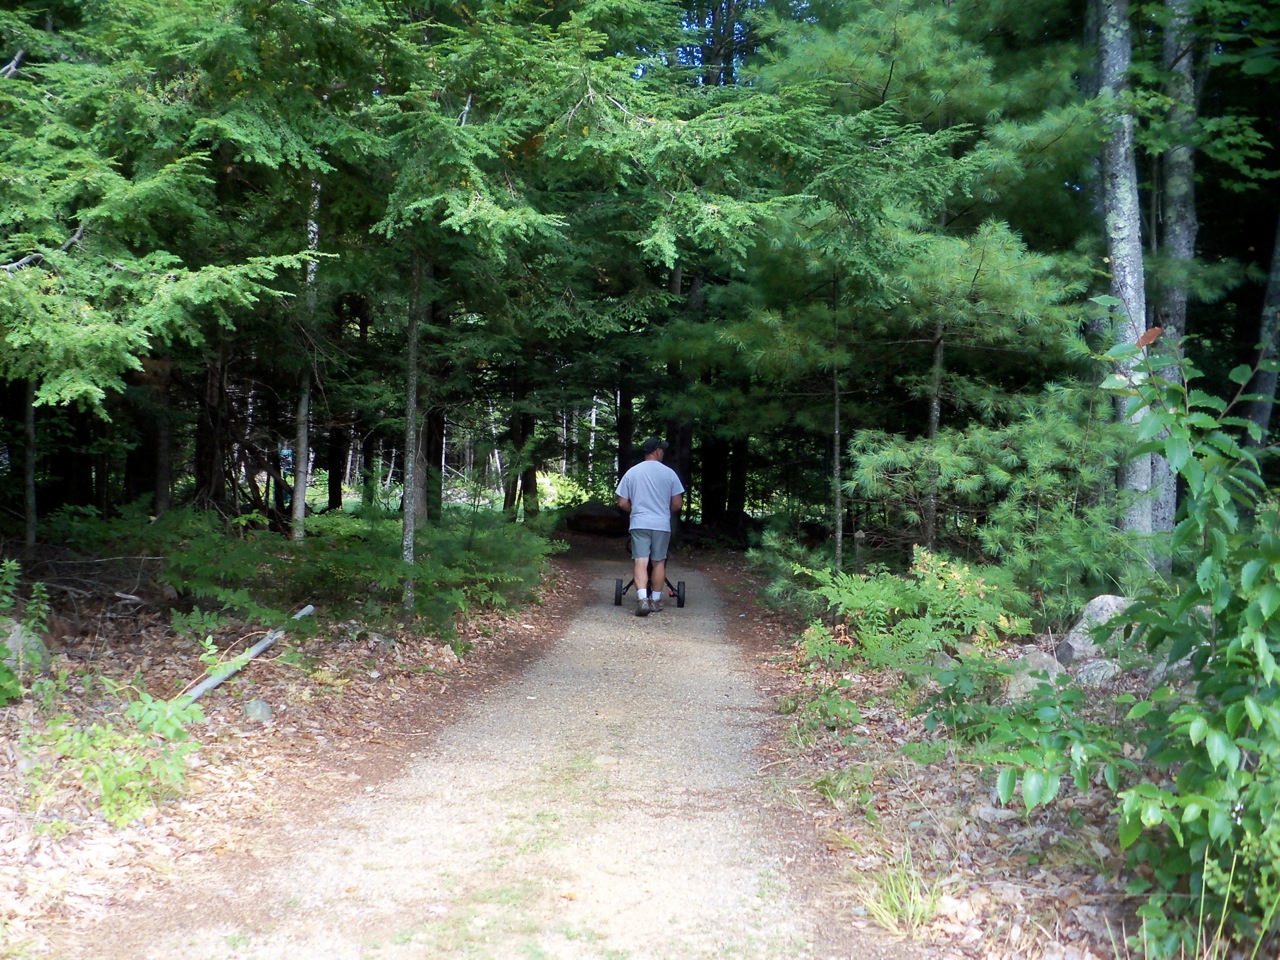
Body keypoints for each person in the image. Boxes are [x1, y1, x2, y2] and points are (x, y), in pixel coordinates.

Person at [616, 437, 685, 617]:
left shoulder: (632, 472)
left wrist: (635, 511)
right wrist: (664, 511)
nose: (663, 452)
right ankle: (655, 599)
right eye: (662, 449)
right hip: (661, 524)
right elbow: (678, 504)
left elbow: (622, 502)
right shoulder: (669, 474)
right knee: (658, 561)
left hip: (639, 523)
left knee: (641, 560)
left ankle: (642, 599)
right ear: (657, 451)